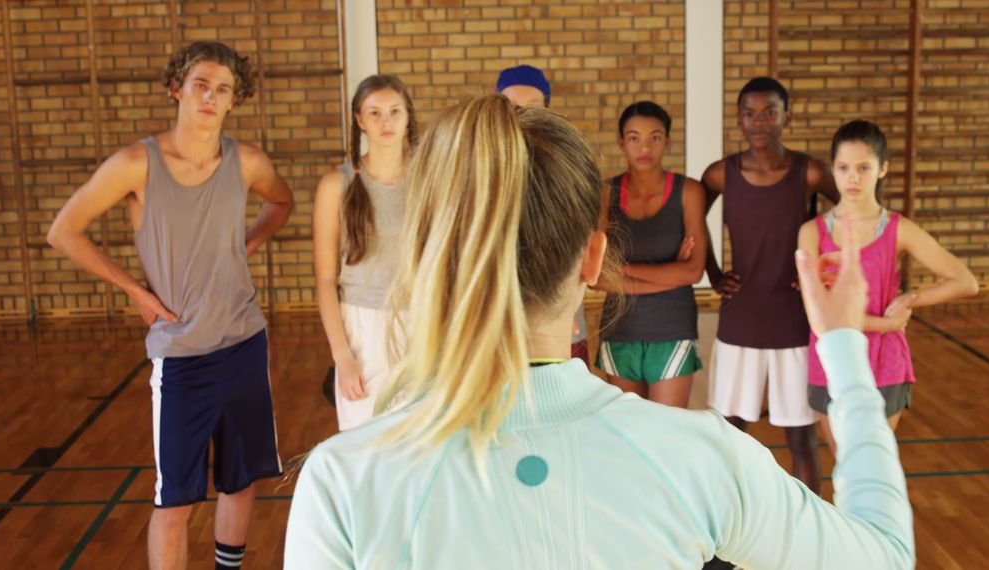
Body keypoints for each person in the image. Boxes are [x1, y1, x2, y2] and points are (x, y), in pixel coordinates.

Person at [284, 95, 914, 569]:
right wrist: (844, 351)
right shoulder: (701, 457)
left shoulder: (344, 482)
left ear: (424, 255)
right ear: (593, 260)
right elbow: (882, 555)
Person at [47, 41, 293, 569]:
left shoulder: (246, 160)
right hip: (183, 355)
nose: (210, 96)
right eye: (200, 84)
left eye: (222, 89)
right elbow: (63, 231)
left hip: (245, 342)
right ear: (176, 88)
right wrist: (137, 292)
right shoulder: (136, 163)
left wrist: (241, 246)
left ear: (235, 100)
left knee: (241, 477)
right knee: (175, 498)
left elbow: (282, 201)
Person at [799, 119, 978, 454]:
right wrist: (888, 323)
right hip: (832, 361)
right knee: (845, 469)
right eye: (843, 167)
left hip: (885, 363)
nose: (852, 177)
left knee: (874, 461)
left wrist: (911, 299)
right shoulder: (811, 232)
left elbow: (965, 281)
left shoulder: (899, 229)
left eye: (863, 167)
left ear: (883, 169)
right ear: (832, 171)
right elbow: (819, 315)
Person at [700, 76, 839, 492]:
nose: (758, 122)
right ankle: (727, 531)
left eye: (769, 112)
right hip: (740, 315)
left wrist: (824, 272)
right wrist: (713, 272)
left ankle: (808, 532)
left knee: (801, 437)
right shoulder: (721, 174)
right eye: (749, 114)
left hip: (794, 321)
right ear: (739, 120)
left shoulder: (809, 172)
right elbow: (691, 216)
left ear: (786, 117)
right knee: (731, 432)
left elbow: (855, 209)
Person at [314, 74, 417, 431]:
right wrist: (342, 357)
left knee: (420, 442)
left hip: (422, 319)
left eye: (394, 111)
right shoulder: (337, 185)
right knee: (365, 443)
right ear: (359, 120)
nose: (385, 122)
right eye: (374, 113)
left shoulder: (430, 178)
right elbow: (326, 280)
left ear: (408, 117)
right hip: (363, 328)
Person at [595, 101, 707, 408]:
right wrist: (671, 275)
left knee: (668, 436)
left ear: (667, 141)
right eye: (634, 137)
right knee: (626, 435)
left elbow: (694, 272)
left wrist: (622, 270)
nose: (645, 147)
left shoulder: (690, 192)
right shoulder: (606, 193)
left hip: (673, 327)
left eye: (654, 137)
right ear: (621, 142)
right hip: (621, 328)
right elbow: (596, 275)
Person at [496, 63, 592, 365]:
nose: (523, 114)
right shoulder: (486, 162)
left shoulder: (566, 161)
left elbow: (578, 235)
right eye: (513, 106)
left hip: (555, 302)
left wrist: (565, 305)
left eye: (532, 106)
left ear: (548, 109)